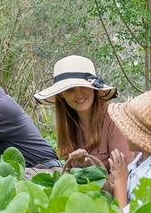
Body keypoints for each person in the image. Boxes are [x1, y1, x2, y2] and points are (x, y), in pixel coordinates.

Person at [33, 55, 132, 183]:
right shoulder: (69, 125)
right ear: (62, 95)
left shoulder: (115, 119)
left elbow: (126, 178)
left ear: (94, 88)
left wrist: (90, 168)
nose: (79, 95)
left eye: (84, 86)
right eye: (70, 90)